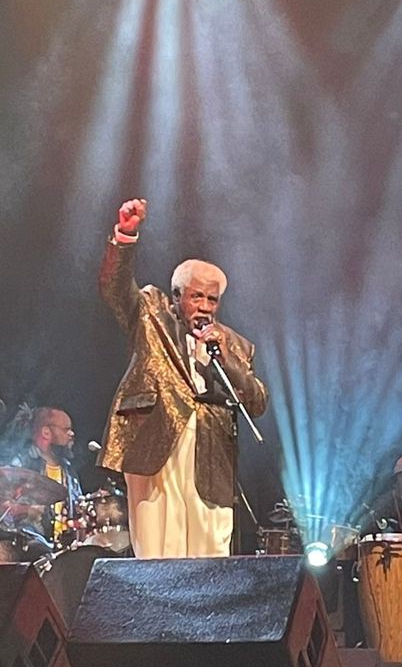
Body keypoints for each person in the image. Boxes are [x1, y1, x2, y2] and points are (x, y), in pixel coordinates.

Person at [98, 198, 268, 559]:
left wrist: (230, 361)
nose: (205, 306)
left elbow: (257, 402)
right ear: (177, 298)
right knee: (160, 556)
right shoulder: (151, 313)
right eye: (197, 297)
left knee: (210, 561)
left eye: (212, 299)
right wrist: (126, 236)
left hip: (212, 457)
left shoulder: (236, 344)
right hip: (155, 444)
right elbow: (115, 287)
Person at [0, 405, 82, 559]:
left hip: (67, 547)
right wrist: (28, 510)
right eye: (66, 429)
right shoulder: (22, 463)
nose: (72, 434)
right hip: (29, 545)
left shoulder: (70, 472)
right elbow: (4, 506)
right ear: (46, 432)